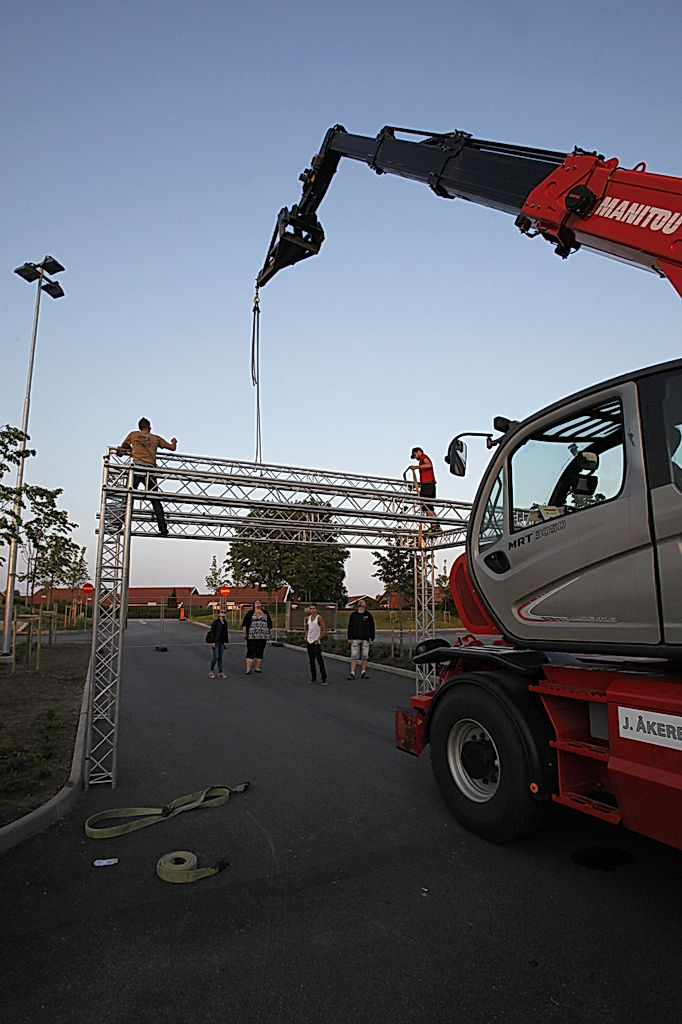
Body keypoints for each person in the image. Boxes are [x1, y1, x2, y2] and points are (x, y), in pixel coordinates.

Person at [119, 417, 177, 536]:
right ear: (149, 427)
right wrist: (174, 442)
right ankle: (163, 528)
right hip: (149, 470)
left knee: (128, 496)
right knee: (155, 498)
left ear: (139, 427)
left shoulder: (133, 435)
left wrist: (131, 449)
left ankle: (120, 523)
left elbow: (123, 446)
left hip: (136, 468)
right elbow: (172, 448)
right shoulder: (155, 438)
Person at [409, 446, 440, 531]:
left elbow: (429, 465)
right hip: (428, 484)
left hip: (428, 485)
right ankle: (435, 525)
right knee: (429, 506)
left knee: (426, 505)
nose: (415, 458)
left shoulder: (423, 457)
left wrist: (416, 467)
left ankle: (434, 525)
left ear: (418, 451)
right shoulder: (422, 460)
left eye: (414, 455)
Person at [241, 600, 273, 674]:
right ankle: (248, 669)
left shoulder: (265, 613)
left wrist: (270, 632)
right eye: (256, 602)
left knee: (260, 651)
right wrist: (245, 633)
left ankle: (257, 668)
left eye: (259, 602)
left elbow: (270, 624)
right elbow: (245, 624)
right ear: (254, 605)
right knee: (251, 651)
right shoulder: (250, 613)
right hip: (252, 636)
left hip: (263, 636)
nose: (258, 604)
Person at [347, 599, 375, 680]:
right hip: (355, 638)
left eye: (363, 602)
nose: (361, 603)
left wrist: (372, 638)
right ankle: (352, 672)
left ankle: (363, 671)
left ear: (365, 605)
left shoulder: (368, 615)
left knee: (364, 656)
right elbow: (350, 626)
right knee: (354, 656)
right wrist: (349, 637)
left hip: (365, 639)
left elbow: (372, 627)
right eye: (360, 602)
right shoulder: (353, 615)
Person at [305, 603, 328, 685]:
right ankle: (313, 677)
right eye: (311, 609)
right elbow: (307, 628)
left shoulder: (319, 618)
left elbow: (324, 629)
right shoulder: (307, 618)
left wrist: (318, 639)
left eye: (313, 608)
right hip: (309, 641)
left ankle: (324, 678)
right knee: (311, 661)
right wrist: (306, 637)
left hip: (316, 642)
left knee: (319, 660)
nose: (312, 610)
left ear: (316, 609)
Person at [207, 609, 229, 678]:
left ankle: (220, 672)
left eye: (224, 612)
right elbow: (212, 632)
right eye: (221, 612)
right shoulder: (215, 622)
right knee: (216, 657)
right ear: (219, 614)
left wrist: (226, 641)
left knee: (220, 658)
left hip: (222, 642)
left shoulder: (225, 622)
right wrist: (212, 641)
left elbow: (226, 633)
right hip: (216, 641)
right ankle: (211, 671)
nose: (223, 613)